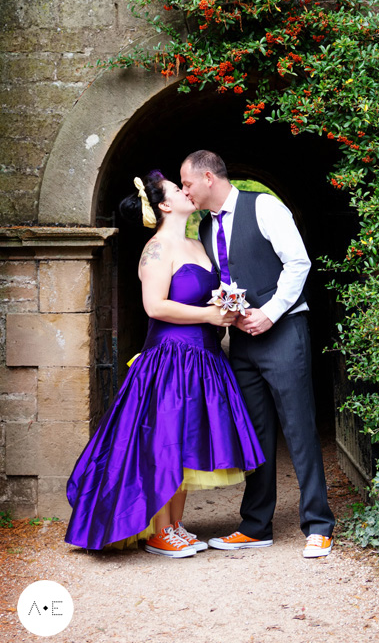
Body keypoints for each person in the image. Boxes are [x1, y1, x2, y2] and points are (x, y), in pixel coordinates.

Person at [65, 170, 265, 557]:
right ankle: (159, 530)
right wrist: (208, 317)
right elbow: (155, 306)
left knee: (188, 443)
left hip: (203, 357)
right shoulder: (155, 249)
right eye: (178, 188)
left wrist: (223, 307)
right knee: (165, 443)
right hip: (171, 359)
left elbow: (207, 294)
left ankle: (174, 525)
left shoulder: (198, 243)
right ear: (164, 205)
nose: (186, 190)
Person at [180, 150, 335, 558]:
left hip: (283, 331)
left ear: (208, 177)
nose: (185, 191)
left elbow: (298, 263)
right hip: (243, 342)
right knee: (256, 434)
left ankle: (319, 524)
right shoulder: (204, 229)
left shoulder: (264, 206)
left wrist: (268, 313)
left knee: (300, 429)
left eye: (187, 183)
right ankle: (255, 526)